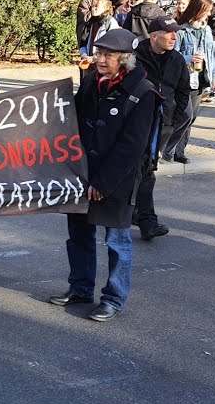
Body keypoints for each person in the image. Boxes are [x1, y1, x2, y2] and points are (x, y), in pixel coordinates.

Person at [49, 28, 156, 322]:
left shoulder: (143, 93)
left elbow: (132, 147)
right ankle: (80, 288)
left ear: (126, 59)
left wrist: (103, 183)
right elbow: (72, 121)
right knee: (79, 235)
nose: (101, 59)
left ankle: (114, 298)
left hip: (116, 182)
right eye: (99, 53)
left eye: (108, 55)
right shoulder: (90, 82)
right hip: (82, 176)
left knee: (117, 241)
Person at [132, 16, 190, 240]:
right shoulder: (135, 56)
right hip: (137, 122)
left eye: (176, 32)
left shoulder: (177, 59)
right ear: (154, 36)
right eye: (170, 33)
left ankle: (138, 213)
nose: (174, 36)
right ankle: (146, 220)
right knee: (144, 169)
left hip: (162, 124)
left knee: (145, 168)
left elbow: (183, 91)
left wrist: (173, 119)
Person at [164, 0, 215, 164]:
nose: (209, 14)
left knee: (192, 117)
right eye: (208, 11)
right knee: (185, 115)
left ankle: (179, 152)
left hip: (202, 79)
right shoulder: (182, 30)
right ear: (199, 11)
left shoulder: (207, 30)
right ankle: (167, 148)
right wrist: (189, 58)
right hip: (184, 80)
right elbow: (172, 55)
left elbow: (213, 56)